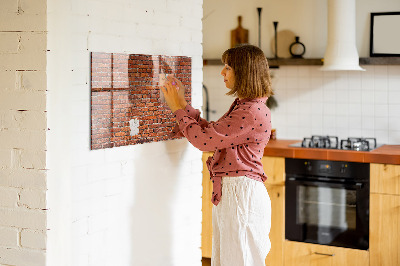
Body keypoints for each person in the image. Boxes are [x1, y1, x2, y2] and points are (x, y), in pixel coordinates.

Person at [161, 44, 273, 266]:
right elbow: (212, 133)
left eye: (228, 67)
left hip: (241, 195)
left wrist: (177, 108)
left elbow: (204, 141)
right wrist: (182, 103)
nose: (222, 72)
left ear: (244, 72)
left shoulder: (250, 111)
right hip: (236, 193)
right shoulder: (246, 106)